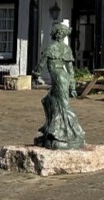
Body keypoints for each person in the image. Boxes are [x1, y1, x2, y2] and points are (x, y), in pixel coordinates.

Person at [31, 21, 86, 150]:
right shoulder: (66, 49)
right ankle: (51, 132)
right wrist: (72, 86)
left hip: (59, 79)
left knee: (63, 106)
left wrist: (36, 74)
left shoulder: (51, 48)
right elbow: (71, 71)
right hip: (63, 78)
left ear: (56, 34)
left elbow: (41, 64)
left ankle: (72, 134)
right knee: (49, 101)